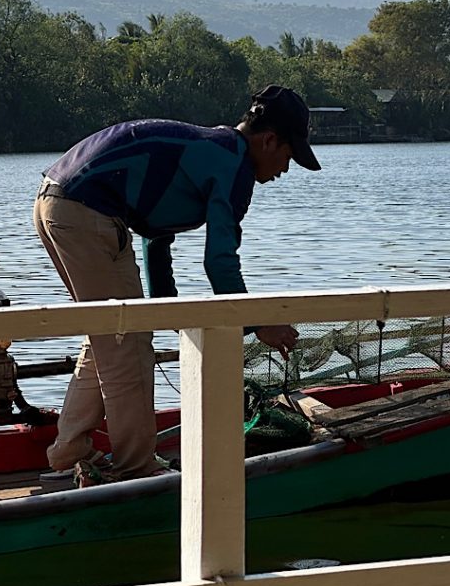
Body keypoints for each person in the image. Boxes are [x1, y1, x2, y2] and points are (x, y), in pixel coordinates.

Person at [33, 85, 320, 485]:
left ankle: (69, 452)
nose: (286, 169)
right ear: (269, 140)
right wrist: (259, 324)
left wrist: (165, 307)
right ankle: (136, 468)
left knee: (109, 335)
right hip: (85, 209)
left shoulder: (209, 149)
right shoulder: (233, 165)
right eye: (289, 155)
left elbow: (156, 236)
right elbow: (219, 261)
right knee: (127, 343)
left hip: (54, 200)